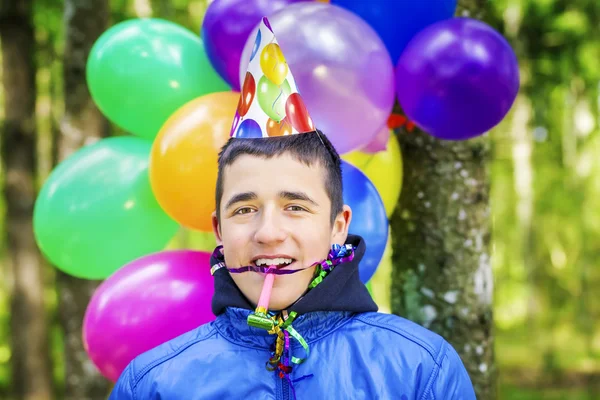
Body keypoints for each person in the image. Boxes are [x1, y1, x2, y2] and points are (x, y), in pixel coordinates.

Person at [109, 18, 476, 400]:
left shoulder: (422, 370)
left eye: (295, 207)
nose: (268, 232)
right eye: (245, 209)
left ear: (338, 227)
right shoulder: (153, 384)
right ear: (218, 229)